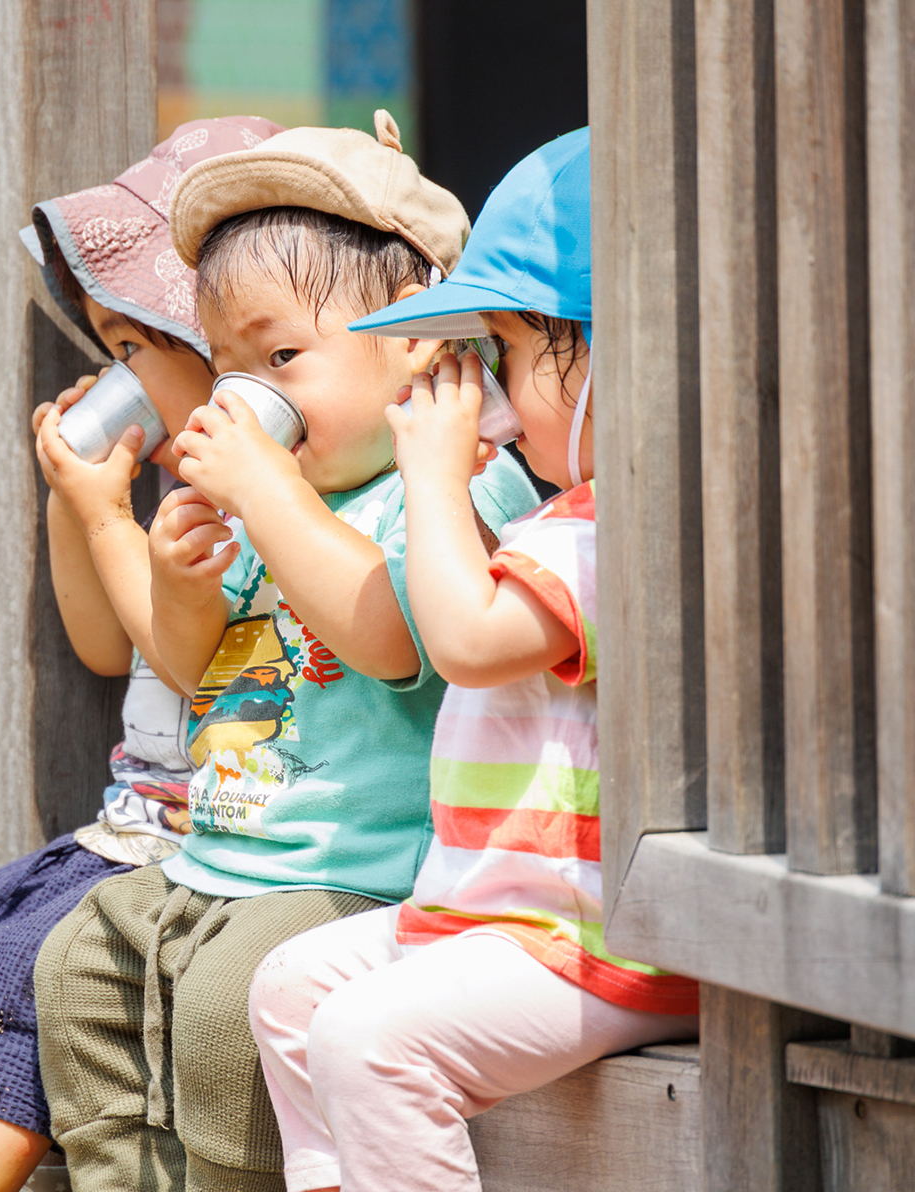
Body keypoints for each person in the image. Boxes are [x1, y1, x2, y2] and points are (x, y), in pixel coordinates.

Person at [32, 113, 542, 1192]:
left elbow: (395, 638)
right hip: (227, 854)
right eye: (224, 365)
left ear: (418, 345)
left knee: (226, 1012)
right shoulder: (276, 495)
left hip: (360, 880)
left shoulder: (445, 484)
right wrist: (177, 579)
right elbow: (191, 665)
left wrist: (263, 492)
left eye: (282, 357)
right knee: (76, 968)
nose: (241, 391)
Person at [245, 128, 700, 1192]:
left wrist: (435, 478)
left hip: (597, 943)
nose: (484, 384)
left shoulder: (614, 531)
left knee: (369, 1038)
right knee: (288, 987)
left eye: (500, 350)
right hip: (501, 922)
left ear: (602, 349)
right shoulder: (569, 519)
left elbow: (465, 642)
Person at [0, 117, 285, 1192]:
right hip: (139, 820)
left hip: (221, 843)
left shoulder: (271, 508)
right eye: (109, 346)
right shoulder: (173, 495)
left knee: (19, 969)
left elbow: (205, 669)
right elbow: (103, 646)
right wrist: (82, 508)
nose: (117, 371)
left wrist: (112, 523)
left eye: (132, 346)